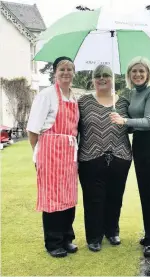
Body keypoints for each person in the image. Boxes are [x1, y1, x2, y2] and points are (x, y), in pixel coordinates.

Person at [110, 56, 150, 258]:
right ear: (129, 75)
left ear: (148, 73)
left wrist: (124, 120)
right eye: (133, 71)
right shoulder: (133, 92)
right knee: (145, 190)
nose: (137, 74)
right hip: (141, 143)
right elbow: (133, 124)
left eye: (141, 71)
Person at [27, 56, 79, 258]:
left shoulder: (73, 97)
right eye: (62, 69)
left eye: (70, 69)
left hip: (68, 154)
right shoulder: (47, 95)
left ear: (74, 72)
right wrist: (37, 156)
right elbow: (33, 130)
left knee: (68, 197)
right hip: (50, 152)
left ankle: (67, 238)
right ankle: (53, 242)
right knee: (52, 199)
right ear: (55, 72)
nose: (66, 72)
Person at [78, 65, 132, 252]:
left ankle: (112, 231)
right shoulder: (83, 102)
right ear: (93, 80)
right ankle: (94, 236)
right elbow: (73, 127)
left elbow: (132, 126)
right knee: (93, 199)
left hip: (120, 156)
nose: (102, 79)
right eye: (98, 76)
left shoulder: (123, 103)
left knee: (115, 197)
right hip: (90, 157)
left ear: (113, 78)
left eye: (106, 75)